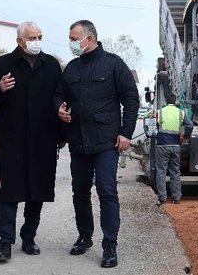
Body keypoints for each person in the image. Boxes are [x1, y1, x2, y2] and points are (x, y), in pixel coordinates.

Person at [55, 20, 139, 269]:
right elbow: (59, 95)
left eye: (74, 38)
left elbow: (131, 99)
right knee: (79, 192)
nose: (71, 43)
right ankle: (85, 236)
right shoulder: (71, 68)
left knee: (106, 189)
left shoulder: (113, 64)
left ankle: (110, 244)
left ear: (89, 38)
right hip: (78, 141)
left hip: (106, 142)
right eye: (69, 38)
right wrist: (59, 108)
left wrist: (126, 133)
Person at [0, 21, 62, 264]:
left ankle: (29, 237)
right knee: (10, 190)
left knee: (37, 190)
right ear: (19, 41)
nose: (37, 41)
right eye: (32, 37)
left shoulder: (51, 65)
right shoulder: (5, 63)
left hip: (43, 138)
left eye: (40, 36)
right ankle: (5, 242)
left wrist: (61, 135)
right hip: (13, 138)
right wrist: (0, 87)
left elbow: (60, 99)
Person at [155, 95, 193, 205]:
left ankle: (162, 198)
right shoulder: (181, 112)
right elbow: (190, 125)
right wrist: (186, 136)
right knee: (175, 172)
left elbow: (157, 126)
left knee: (161, 172)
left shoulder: (160, 112)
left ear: (166, 101)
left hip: (162, 145)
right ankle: (176, 198)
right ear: (175, 101)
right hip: (176, 145)